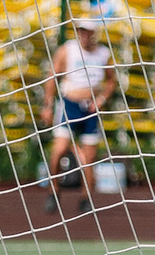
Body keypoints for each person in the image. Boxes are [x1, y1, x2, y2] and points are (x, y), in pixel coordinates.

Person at [43, 15, 115, 215]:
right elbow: (53, 75)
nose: (84, 35)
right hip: (69, 105)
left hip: (90, 108)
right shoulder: (68, 50)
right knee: (59, 150)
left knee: (89, 157)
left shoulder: (103, 54)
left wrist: (101, 99)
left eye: (88, 31)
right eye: (81, 31)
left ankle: (86, 198)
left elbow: (111, 81)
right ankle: (54, 190)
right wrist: (48, 104)